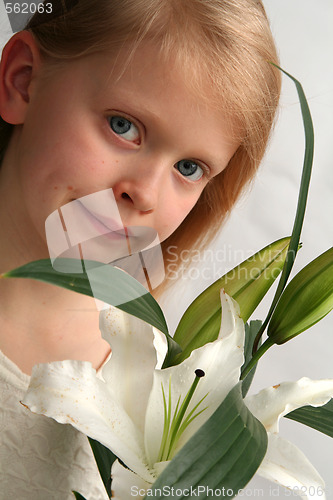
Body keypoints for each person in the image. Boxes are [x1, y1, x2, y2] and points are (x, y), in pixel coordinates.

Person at [0, 0, 281, 498]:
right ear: (22, 81)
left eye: (189, 168)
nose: (146, 194)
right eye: (123, 126)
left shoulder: (161, 376)